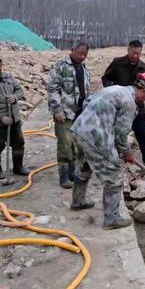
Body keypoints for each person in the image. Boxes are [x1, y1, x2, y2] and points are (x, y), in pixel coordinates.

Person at [70, 73, 145, 230]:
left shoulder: (115, 89)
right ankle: (111, 218)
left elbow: (87, 102)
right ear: (143, 91)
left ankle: (78, 202)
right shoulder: (130, 102)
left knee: (84, 166)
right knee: (115, 175)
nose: (144, 101)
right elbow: (121, 135)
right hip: (96, 137)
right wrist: (127, 152)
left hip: (80, 129)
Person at [101, 40, 145, 165]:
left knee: (143, 133)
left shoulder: (144, 68)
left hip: (137, 107)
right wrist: (111, 89)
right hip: (118, 106)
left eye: (138, 53)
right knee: (115, 132)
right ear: (128, 50)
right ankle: (113, 158)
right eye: (133, 53)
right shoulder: (117, 63)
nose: (135, 56)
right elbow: (106, 78)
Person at [48, 42, 91, 189]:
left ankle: (72, 173)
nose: (82, 56)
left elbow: (86, 90)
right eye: (79, 53)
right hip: (65, 112)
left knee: (74, 145)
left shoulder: (84, 68)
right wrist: (56, 110)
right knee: (65, 145)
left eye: (85, 54)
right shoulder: (61, 66)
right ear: (72, 50)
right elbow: (53, 89)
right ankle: (64, 177)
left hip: (80, 113)